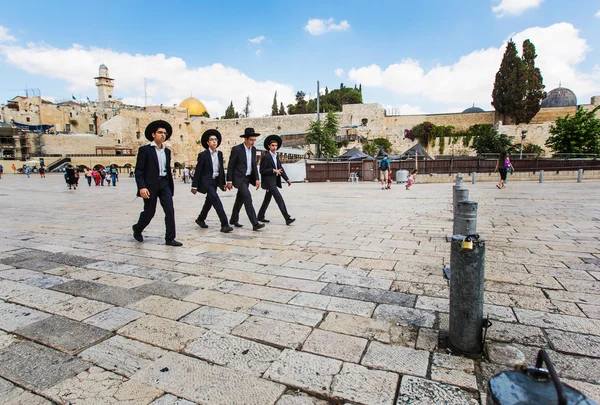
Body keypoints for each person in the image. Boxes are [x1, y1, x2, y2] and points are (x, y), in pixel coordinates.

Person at [132, 120, 182, 246]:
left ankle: (170, 238)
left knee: (170, 210)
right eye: (160, 132)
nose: (163, 135)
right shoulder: (145, 150)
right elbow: (139, 171)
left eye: (164, 133)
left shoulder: (167, 151)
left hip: (164, 183)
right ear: (153, 134)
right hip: (150, 185)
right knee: (150, 212)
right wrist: (142, 187)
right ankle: (137, 228)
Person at [191, 129, 233, 233]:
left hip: (215, 181)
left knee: (209, 202)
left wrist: (223, 183)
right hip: (207, 182)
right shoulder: (203, 155)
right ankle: (224, 224)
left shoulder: (219, 154)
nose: (214, 141)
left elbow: (221, 169)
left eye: (215, 140)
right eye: (211, 140)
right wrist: (194, 186)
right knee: (216, 200)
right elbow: (198, 171)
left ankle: (200, 219)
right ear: (207, 143)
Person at [226, 127, 264, 231]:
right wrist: (229, 181)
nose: (253, 142)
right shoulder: (237, 149)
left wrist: (257, 178)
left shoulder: (254, 149)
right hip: (239, 178)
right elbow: (231, 166)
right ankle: (255, 223)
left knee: (240, 199)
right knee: (247, 198)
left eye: (254, 140)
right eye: (251, 140)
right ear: (246, 139)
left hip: (247, 178)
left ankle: (233, 219)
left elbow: (254, 164)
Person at [257, 135, 295, 225]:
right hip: (269, 182)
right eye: (273, 145)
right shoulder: (266, 157)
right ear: (269, 146)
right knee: (279, 198)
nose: (274, 147)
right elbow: (261, 171)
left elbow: (280, 168)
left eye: (276, 146)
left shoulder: (276, 156)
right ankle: (287, 218)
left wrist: (287, 179)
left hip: (274, 181)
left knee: (267, 199)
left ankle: (260, 216)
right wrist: (273, 171)